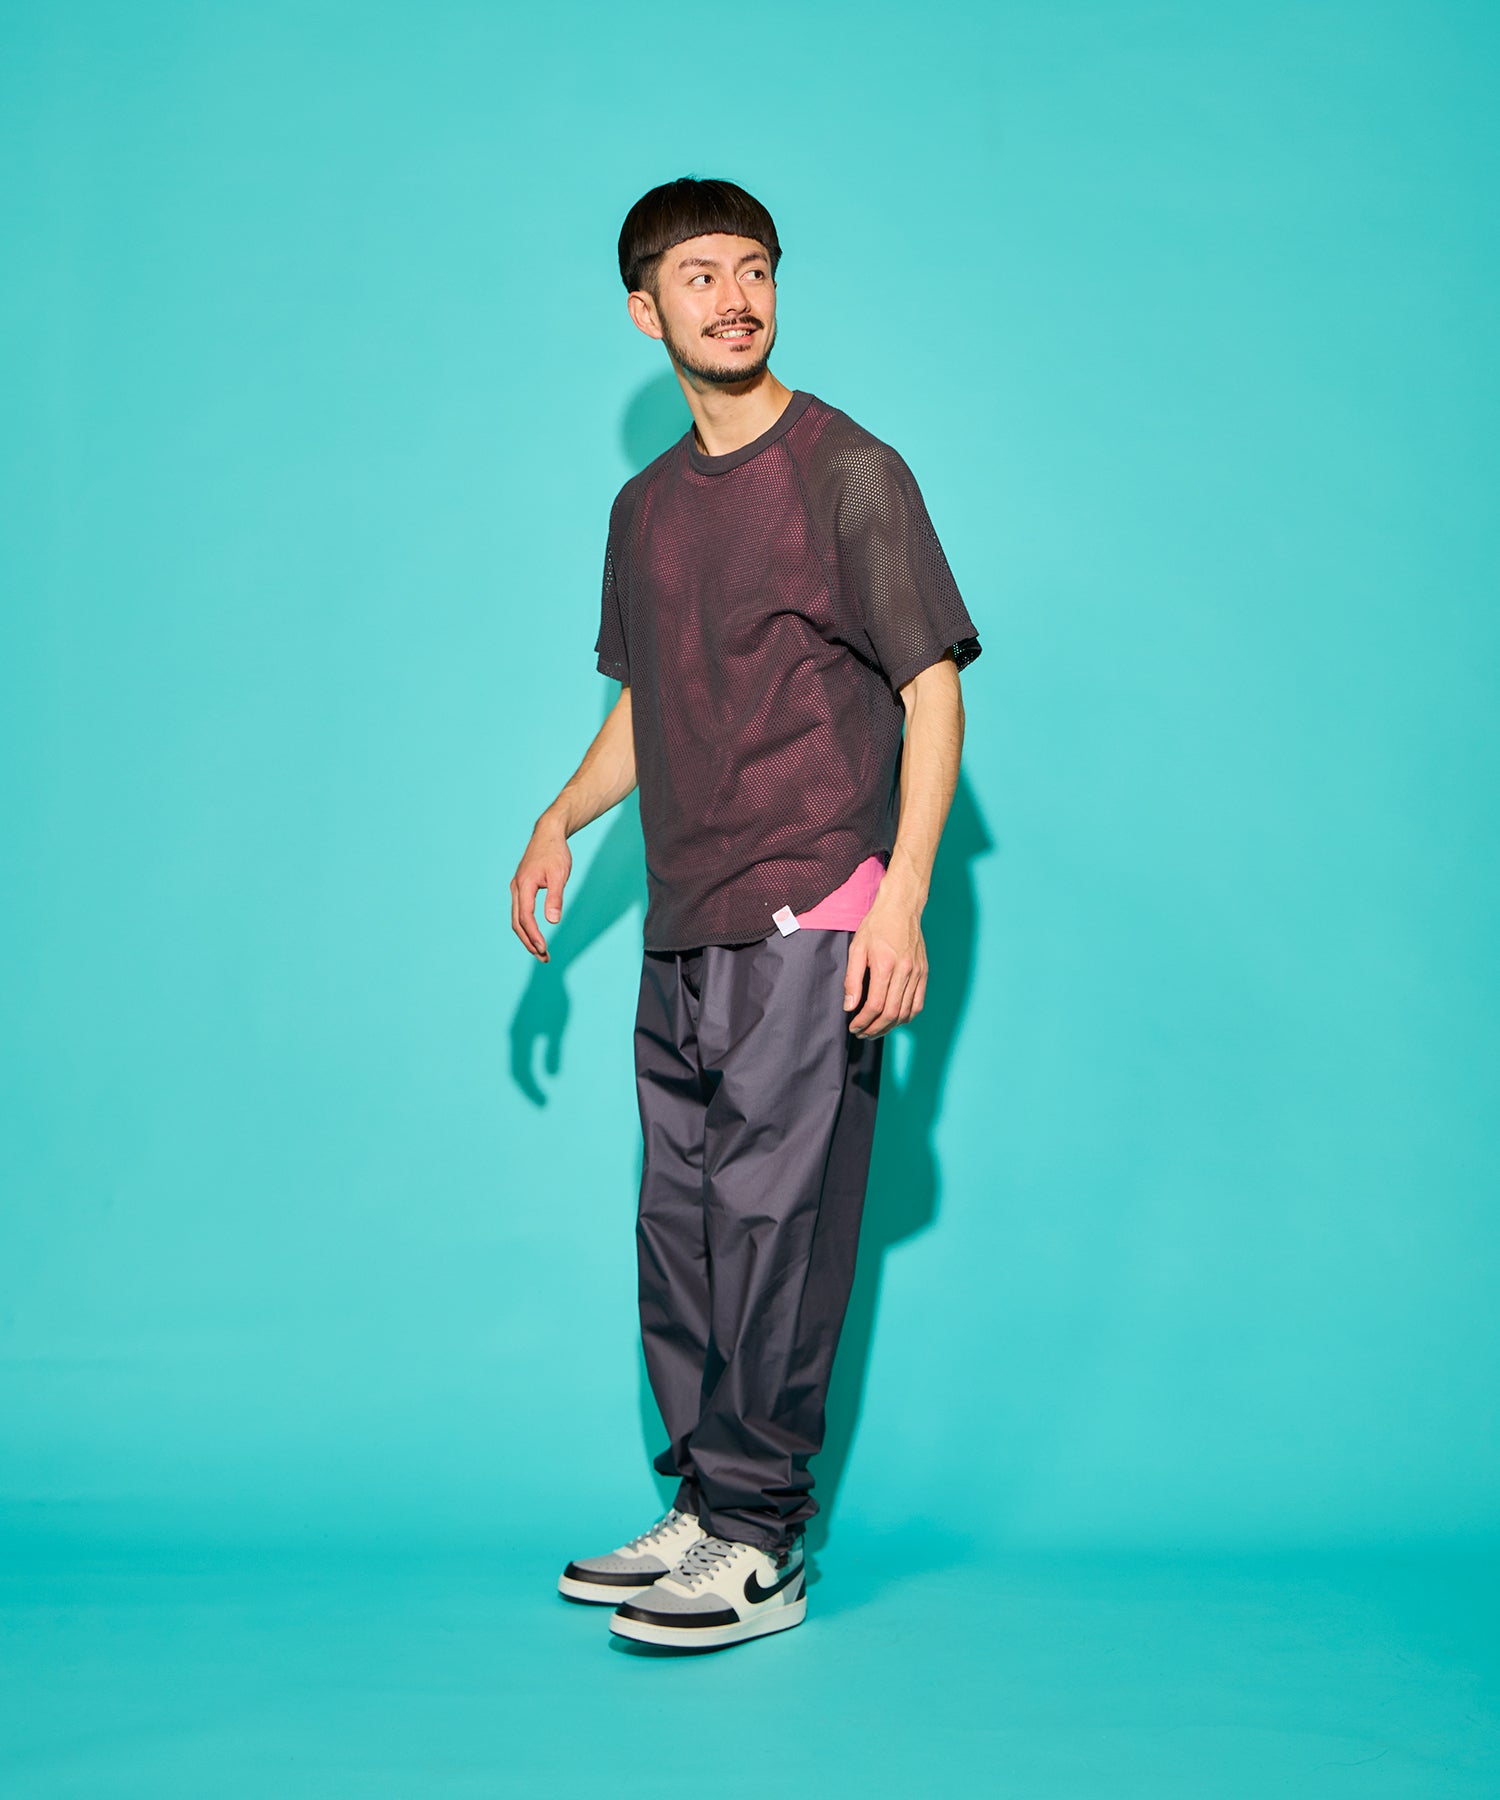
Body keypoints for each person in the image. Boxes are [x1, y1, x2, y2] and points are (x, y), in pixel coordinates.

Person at [510, 177, 982, 1651]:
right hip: (685, 915)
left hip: (817, 903)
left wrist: (902, 900)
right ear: (644, 312)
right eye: (701, 276)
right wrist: (560, 817)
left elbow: (932, 692)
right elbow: (648, 704)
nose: (735, 298)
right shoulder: (645, 508)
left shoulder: (851, 473)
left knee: (777, 1224)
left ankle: (762, 1542)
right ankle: (705, 1505)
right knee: (686, 1229)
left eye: (756, 269)